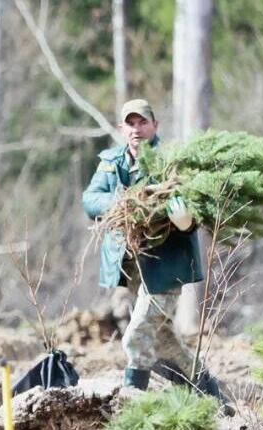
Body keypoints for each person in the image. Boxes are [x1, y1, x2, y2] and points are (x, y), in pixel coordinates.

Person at [81, 99, 205, 390]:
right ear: (122, 128)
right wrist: (125, 203)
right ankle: (211, 397)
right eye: (131, 123)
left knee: (136, 334)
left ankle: (133, 399)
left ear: (155, 126)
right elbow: (90, 200)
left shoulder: (171, 162)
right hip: (135, 265)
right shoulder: (112, 162)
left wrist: (186, 220)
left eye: (143, 122)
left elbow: (195, 209)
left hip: (166, 267)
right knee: (163, 340)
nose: (137, 129)